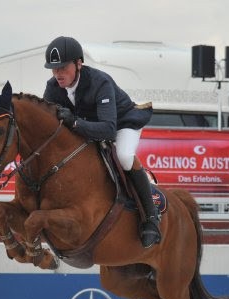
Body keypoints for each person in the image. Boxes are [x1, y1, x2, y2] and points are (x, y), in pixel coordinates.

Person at [42, 36, 159, 248]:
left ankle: (151, 218)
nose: (58, 73)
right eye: (54, 68)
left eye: (63, 67)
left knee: (123, 157)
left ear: (79, 64)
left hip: (123, 123)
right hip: (89, 125)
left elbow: (107, 129)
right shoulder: (52, 87)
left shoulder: (100, 82)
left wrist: (75, 124)